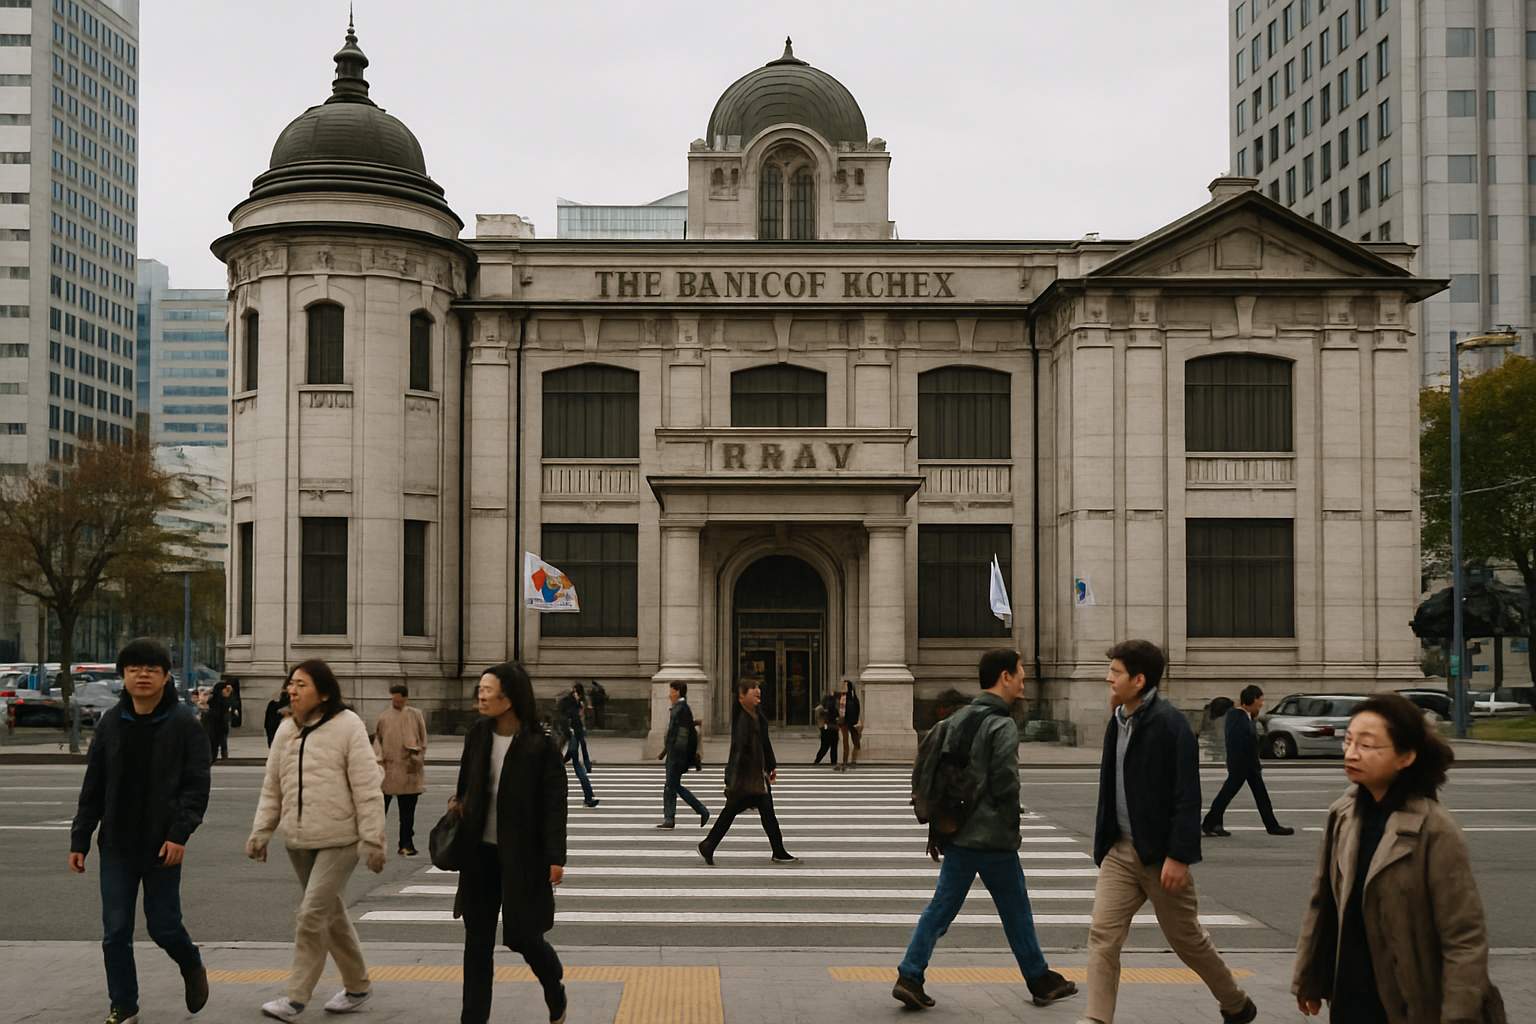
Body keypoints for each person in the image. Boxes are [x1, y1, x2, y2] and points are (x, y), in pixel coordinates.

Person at [1292, 693, 1506, 1024]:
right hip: (1351, 993)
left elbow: (1464, 938)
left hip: (1414, 999)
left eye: (1367, 745)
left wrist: (1459, 1015)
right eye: (1348, 741)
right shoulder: (1343, 814)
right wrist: (1309, 977)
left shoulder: (1435, 829)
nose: (1351, 753)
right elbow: (1324, 905)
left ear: (1405, 756)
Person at [1081, 640, 1257, 1024]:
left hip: (1160, 856)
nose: (1108, 678)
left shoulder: (1170, 724)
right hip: (1120, 851)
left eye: (1116, 672)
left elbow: (1186, 795)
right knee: (1102, 936)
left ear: (1139, 679)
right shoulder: (1118, 719)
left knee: (1186, 941)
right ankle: (1096, 1018)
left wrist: (1179, 855)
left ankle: (1235, 1002)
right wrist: (1104, 842)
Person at [892, 648, 1078, 1012]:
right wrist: (1012, 829)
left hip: (958, 833)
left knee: (941, 908)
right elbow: (1006, 782)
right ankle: (1039, 979)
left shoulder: (956, 720)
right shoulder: (1001, 724)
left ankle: (910, 975)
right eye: (1020, 671)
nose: (1024, 677)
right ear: (1004, 677)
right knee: (1016, 909)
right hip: (992, 837)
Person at [69, 637, 211, 1024]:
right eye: (134, 669)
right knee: (115, 931)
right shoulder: (111, 723)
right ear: (124, 677)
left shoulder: (184, 724)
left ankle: (190, 961)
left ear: (166, 677)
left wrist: (180, 834)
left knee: (164, 926)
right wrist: (80, 839)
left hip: (162, 845)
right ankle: (124, 1003)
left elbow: (196, 786)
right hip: (116, 844)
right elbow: (93, 785)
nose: (142, 675)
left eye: (151, 669)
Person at [246, 659, 386, 1021]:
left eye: (302, 685)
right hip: (298, 840)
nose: (292, 690)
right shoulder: (284, 730)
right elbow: (272, 787)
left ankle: (295, 997)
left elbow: (368, 787)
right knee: (330, 914)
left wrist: (372, 840)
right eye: (291, 684)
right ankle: (358, 986)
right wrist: (261, 833)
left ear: (324, 693)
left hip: (340, 838)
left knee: (311, 916)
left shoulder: (347, 726)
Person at [450, 662, 569, 1024]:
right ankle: (473, 1018)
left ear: (510, 698)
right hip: (480, 856)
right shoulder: (478, 735)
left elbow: (554, 805)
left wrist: (555, 857)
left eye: (488, 690)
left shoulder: (540, 746)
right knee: (477, 942)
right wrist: (459, 807)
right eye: (480, 689)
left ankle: (553, 984)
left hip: (523, 858)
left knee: (523, 936)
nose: (481, 696)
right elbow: (464, 785)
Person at [698, 675, 799, 865]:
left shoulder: (756, 716)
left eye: (758, 692)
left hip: (755, 778)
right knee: (742, 813)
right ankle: (709, 844)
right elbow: (738, 752)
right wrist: (732, 779)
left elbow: (764, 744)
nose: (758, 694)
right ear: (742, 697)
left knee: (762, 814)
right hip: (747, 780)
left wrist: (771, 766)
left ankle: (710, 844)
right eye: (754, 692)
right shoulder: (743, 720)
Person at [1202, 685, 1292, 838]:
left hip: (1246, 765)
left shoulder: (1242, 716)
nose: (1262, 703)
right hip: (1242, 766)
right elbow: (1241, 742)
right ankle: (1209, 823)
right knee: (1228, 795)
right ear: (1253, 699)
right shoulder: (1238, 717)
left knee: (1258, 795)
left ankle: (1271, 825)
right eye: (1260, 700)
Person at [373, 683, 428, 856]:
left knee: (407, 813)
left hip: (408, 768)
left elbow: (423, 739)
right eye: (393, 699)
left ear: (405, 698)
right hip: (388, 770)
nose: (395, 702)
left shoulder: (415, 715)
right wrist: (378, 761)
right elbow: (378, 741)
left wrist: (417, 758)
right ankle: (375, 844)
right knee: (380, 811)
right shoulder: (384, 717)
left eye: (398, 699)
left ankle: (406, 844)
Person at [656, 681, 709, 829]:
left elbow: (681, 735)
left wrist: (673, 754)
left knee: (671, 786)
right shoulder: (681, 708)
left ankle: (699, 811)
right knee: (672, 786)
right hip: (675, 754)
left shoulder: (680, 708)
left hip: (676, 755)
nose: (669, 694)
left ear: (678, 691)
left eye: (671, 691)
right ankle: (671, 818)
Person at [557, 683, 594, 773]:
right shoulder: (570, 700)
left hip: (579, 727)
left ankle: (587, 766)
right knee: (571, 747)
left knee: (581, 746)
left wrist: (584, 707)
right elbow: (568, 713)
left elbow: (585, 714)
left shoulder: (582, 700)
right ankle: (561, 762)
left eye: (575, 690)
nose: (574, 692)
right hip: (571, 727)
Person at [836, 678, 861, 771]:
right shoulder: (841, 697)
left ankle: (853, 761)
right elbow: (839, 711)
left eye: (845, 685)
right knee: (845, 743)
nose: (843, 686)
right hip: (844, 723)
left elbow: (857, 710)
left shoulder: (854, 698)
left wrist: (857, 721)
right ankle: (845, 762)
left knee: (856, 743)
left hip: (852, 723)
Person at [205, 682, 231, 764]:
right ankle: (218, 757)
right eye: (224, 689)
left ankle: (217, 757)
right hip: (216, 726)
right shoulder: (219, 700)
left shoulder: (215, 699)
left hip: (217, 726)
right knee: (214, 745)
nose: (225, 691)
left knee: (215, 745)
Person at [813, 690, 839, 767]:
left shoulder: (822, 709)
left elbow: (818, 719)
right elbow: (837, 718)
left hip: (826, 729)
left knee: (824, 746)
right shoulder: (834, 708)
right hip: (833, 728)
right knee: (834, 747)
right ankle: (833, 762)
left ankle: (817, 760)